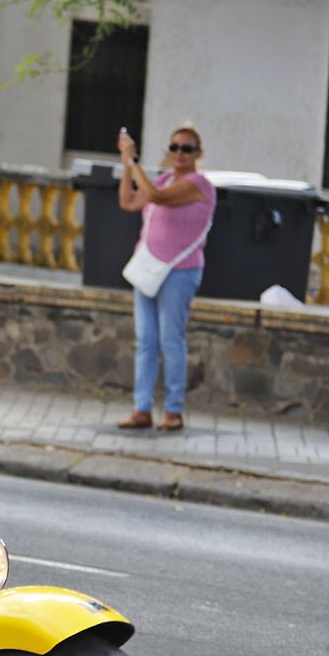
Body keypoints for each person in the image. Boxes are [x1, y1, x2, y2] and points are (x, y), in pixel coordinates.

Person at [116, 123, 216, 432]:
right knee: (146, 341)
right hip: (149, 269)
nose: (179, 153)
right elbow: (129, 201)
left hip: (180, 271)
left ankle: (174, 410)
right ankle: (141, 408)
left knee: (171, 340)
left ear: (198, 153)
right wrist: (126, 166)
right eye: (174, 147)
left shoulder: (199, 185)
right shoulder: (162, 179)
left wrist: (134, 162)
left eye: (187, 148)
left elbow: (156, 197)